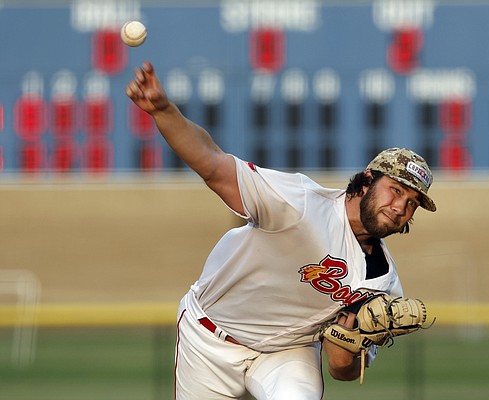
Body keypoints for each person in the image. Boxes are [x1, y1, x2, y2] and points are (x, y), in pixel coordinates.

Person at [126, 61, 437, 400]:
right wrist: (163, 110)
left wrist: (347, 343)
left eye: (411, 203)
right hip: (209, 339)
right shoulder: (300, 204)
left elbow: (341, 370)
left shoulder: (383, 284)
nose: (400, 207)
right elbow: (213, 164)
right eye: (396, 190)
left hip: (289, 353)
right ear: (366, 181)